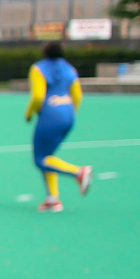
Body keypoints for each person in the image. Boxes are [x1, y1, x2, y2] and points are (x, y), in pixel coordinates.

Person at [24, 41, 92, 212]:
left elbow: (38, 97)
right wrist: (68, 113)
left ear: (44, 53)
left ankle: (79, 172)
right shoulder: (70, 69)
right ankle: (52, 199)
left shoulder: (38, 69)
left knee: (40, 159)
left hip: (50, 115)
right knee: (49, 157)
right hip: (68, 114)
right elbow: (78, 96)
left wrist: (29, 112)